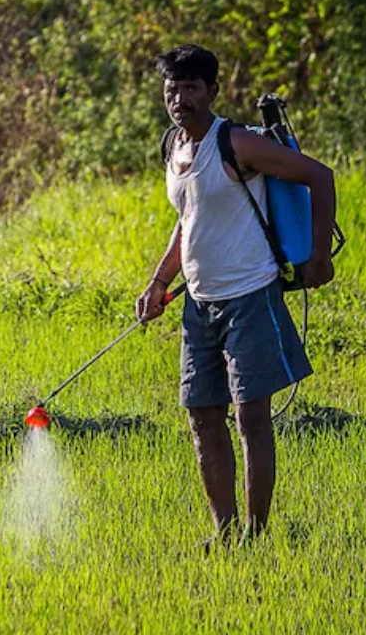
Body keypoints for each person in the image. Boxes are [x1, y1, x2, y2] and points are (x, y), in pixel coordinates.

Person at [134, 44, 336, 548]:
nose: (179, 98)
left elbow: (319, 176)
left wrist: (318, 256)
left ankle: (256, 532)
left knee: (251, 415)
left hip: (250, 294)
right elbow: (188, 221)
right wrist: (159, 282)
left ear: (212, 92)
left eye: (191, 88)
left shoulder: (237, 143)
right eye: (172, 89)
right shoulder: (173, 148)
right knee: (202, 415)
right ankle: (223, 532)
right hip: (198, 303)